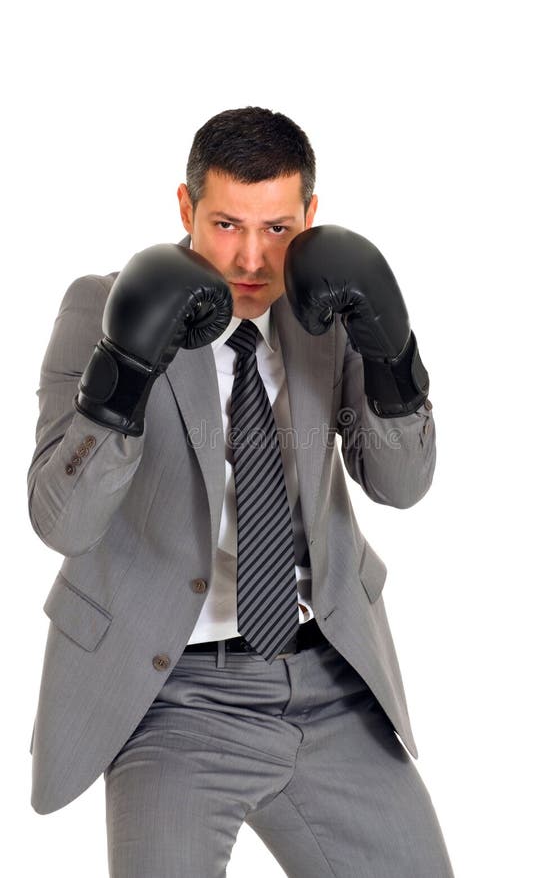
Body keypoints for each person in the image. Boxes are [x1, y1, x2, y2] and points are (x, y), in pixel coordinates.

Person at [27, 106, 455, 877]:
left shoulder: (328, 311)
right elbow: (61, 522)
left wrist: (394, 355)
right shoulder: (100, 305)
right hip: (171, 696)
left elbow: (401, 484)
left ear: (311, 218)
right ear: (186, 209)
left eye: (278, 229)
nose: (252, 258)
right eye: (226, 224)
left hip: (329, 680)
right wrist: (124, 373)